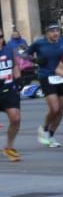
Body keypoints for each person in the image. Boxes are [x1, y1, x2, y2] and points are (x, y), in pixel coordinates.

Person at [28, 24, 63, 149]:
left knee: (60, 110)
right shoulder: (39, 43)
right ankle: (45, 128)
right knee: (54, 108)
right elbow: (25, 54)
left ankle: (51, 135)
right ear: (46, 33)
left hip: (62, 77)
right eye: (52, 31)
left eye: (57, 30)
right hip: (46, 76)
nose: (55, 33)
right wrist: (35, 61)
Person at [0, 31, 27, 160]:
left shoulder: (9, 49)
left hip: (9, 89)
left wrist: (19, 79)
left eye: (0, 36)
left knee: (15, 119)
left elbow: (15, 65)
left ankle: (8, 147)